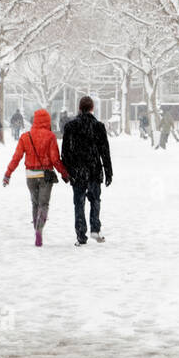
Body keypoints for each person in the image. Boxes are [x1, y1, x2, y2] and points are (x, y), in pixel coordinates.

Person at [3, 108, 70, 247]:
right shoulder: (50, 136)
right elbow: (55, 159)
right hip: (45, 176)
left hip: (31, 176)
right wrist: (64, 174)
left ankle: (36, 230)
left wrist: (8, 174)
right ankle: (40, 229)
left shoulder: (25, 137)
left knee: (35, 204)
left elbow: (17, 157)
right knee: (43, 204)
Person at [61, 95, 113, 247]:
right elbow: (105, 152)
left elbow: (65, 152)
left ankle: (81, 235)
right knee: (95, 200)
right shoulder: (98, 126)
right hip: (94, 170)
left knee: (79, 203)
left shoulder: (70, 127)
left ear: (79, 108)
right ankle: (95, 229)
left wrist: (67, 170)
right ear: (92, 108)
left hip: (77, 172)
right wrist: (108, 171)